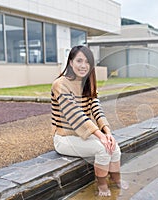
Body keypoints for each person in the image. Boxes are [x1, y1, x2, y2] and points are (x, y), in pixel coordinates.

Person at [51, 45, 128, 197]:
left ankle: (116, 179)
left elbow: (96, 109)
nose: (83, 65)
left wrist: (108, 134)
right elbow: (75, 114)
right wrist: (101, 137)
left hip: (82, 135)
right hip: (64, 138)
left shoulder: (87, 83)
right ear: (71, 63)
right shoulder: (60, 84)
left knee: (114, 147)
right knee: (103, 149)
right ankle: (101, 184)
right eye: (79, 61)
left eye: (87, 62)